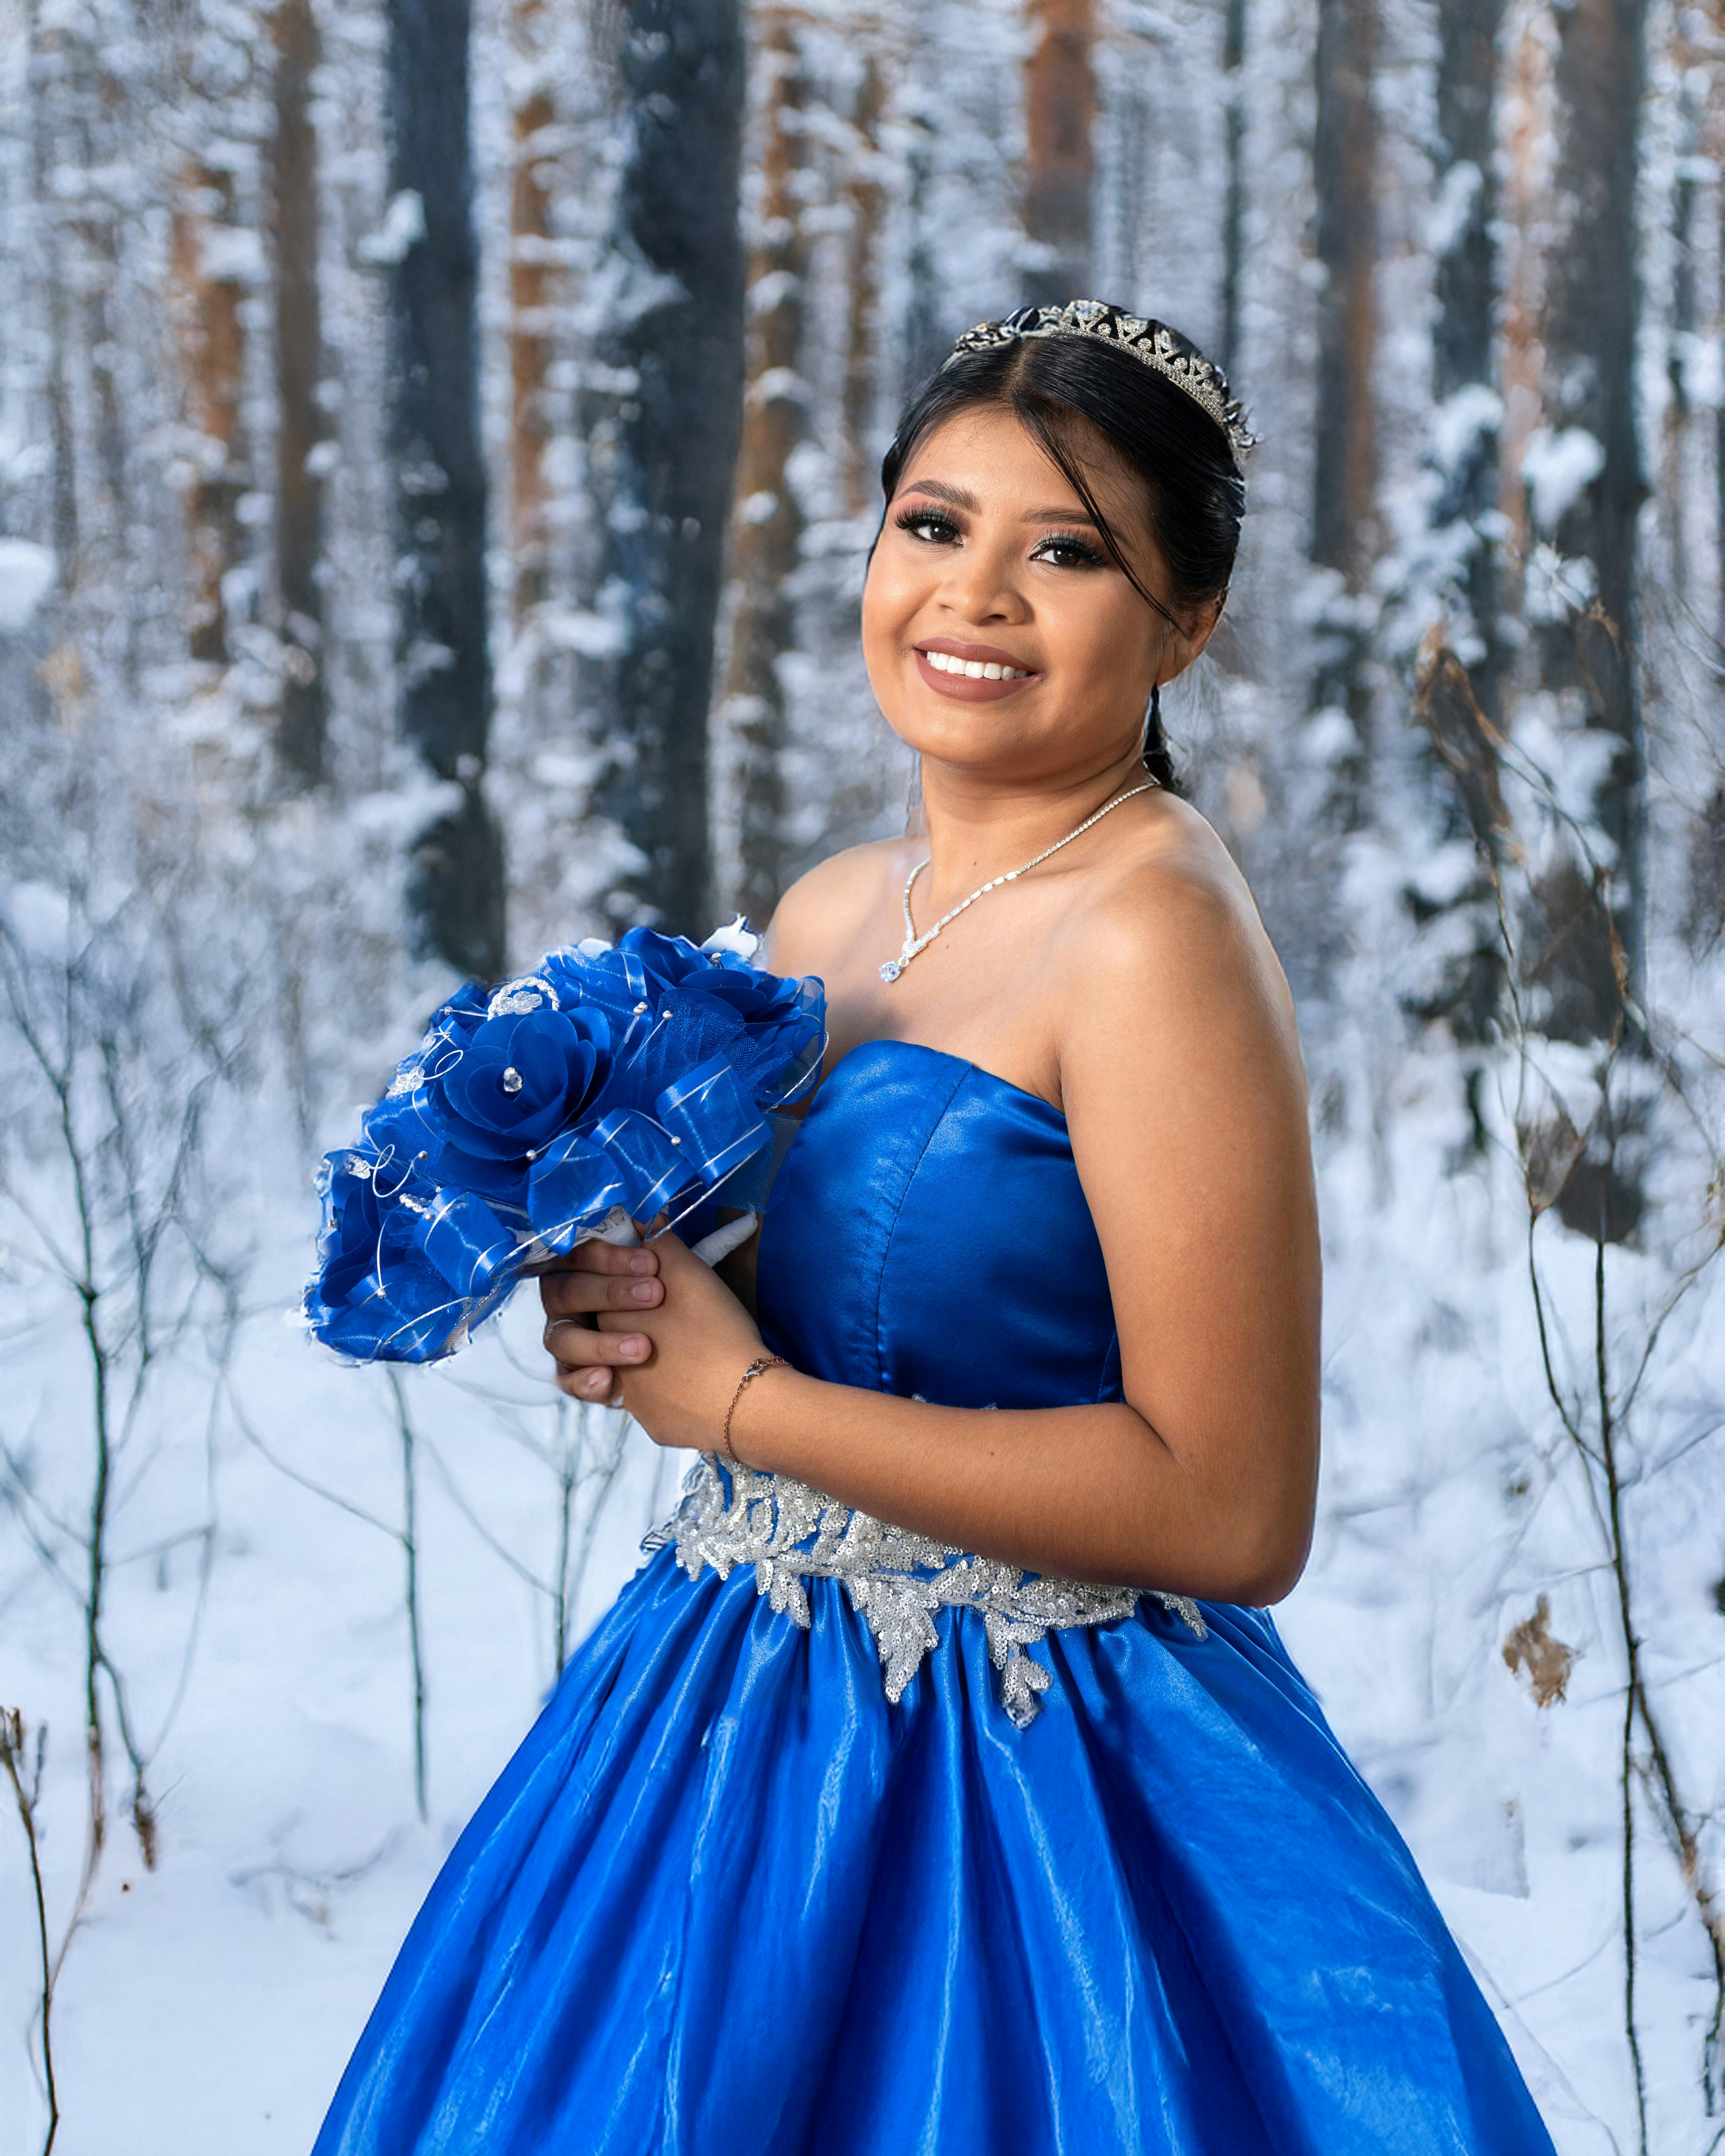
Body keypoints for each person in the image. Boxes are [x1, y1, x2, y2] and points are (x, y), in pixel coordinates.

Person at [312, 302, 1556, 2155]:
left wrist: (740, 1411)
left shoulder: (1154, 935)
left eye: (1067, 550)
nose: (974, 597)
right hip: (728, 1728)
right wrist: (642, 1299)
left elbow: (1233, 1507)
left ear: (1187, 618)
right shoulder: (837, 908)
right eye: (933, 525)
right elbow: (834, 1311)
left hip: (1044, 1781)